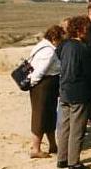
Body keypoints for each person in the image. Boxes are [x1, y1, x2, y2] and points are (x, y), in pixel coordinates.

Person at [56, 16, 91, 169]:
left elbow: (58, 59)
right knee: (77, 129)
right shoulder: (83, 49)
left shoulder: (64, 45)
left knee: (64, 126)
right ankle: (73, 162)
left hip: (64, 89)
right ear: (80, 30)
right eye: (86, 30)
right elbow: (89, 72)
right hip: (78, 92)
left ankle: (62, 158)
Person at [28, 25, 65, 158]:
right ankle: (36, 148)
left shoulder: (41, 46)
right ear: (55, 38)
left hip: (47, 86)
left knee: (49, 116)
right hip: (43, 86)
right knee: (40, 116)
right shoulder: (48, 51)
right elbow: (40, 71)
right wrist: (33, 83)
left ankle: (52, 145)